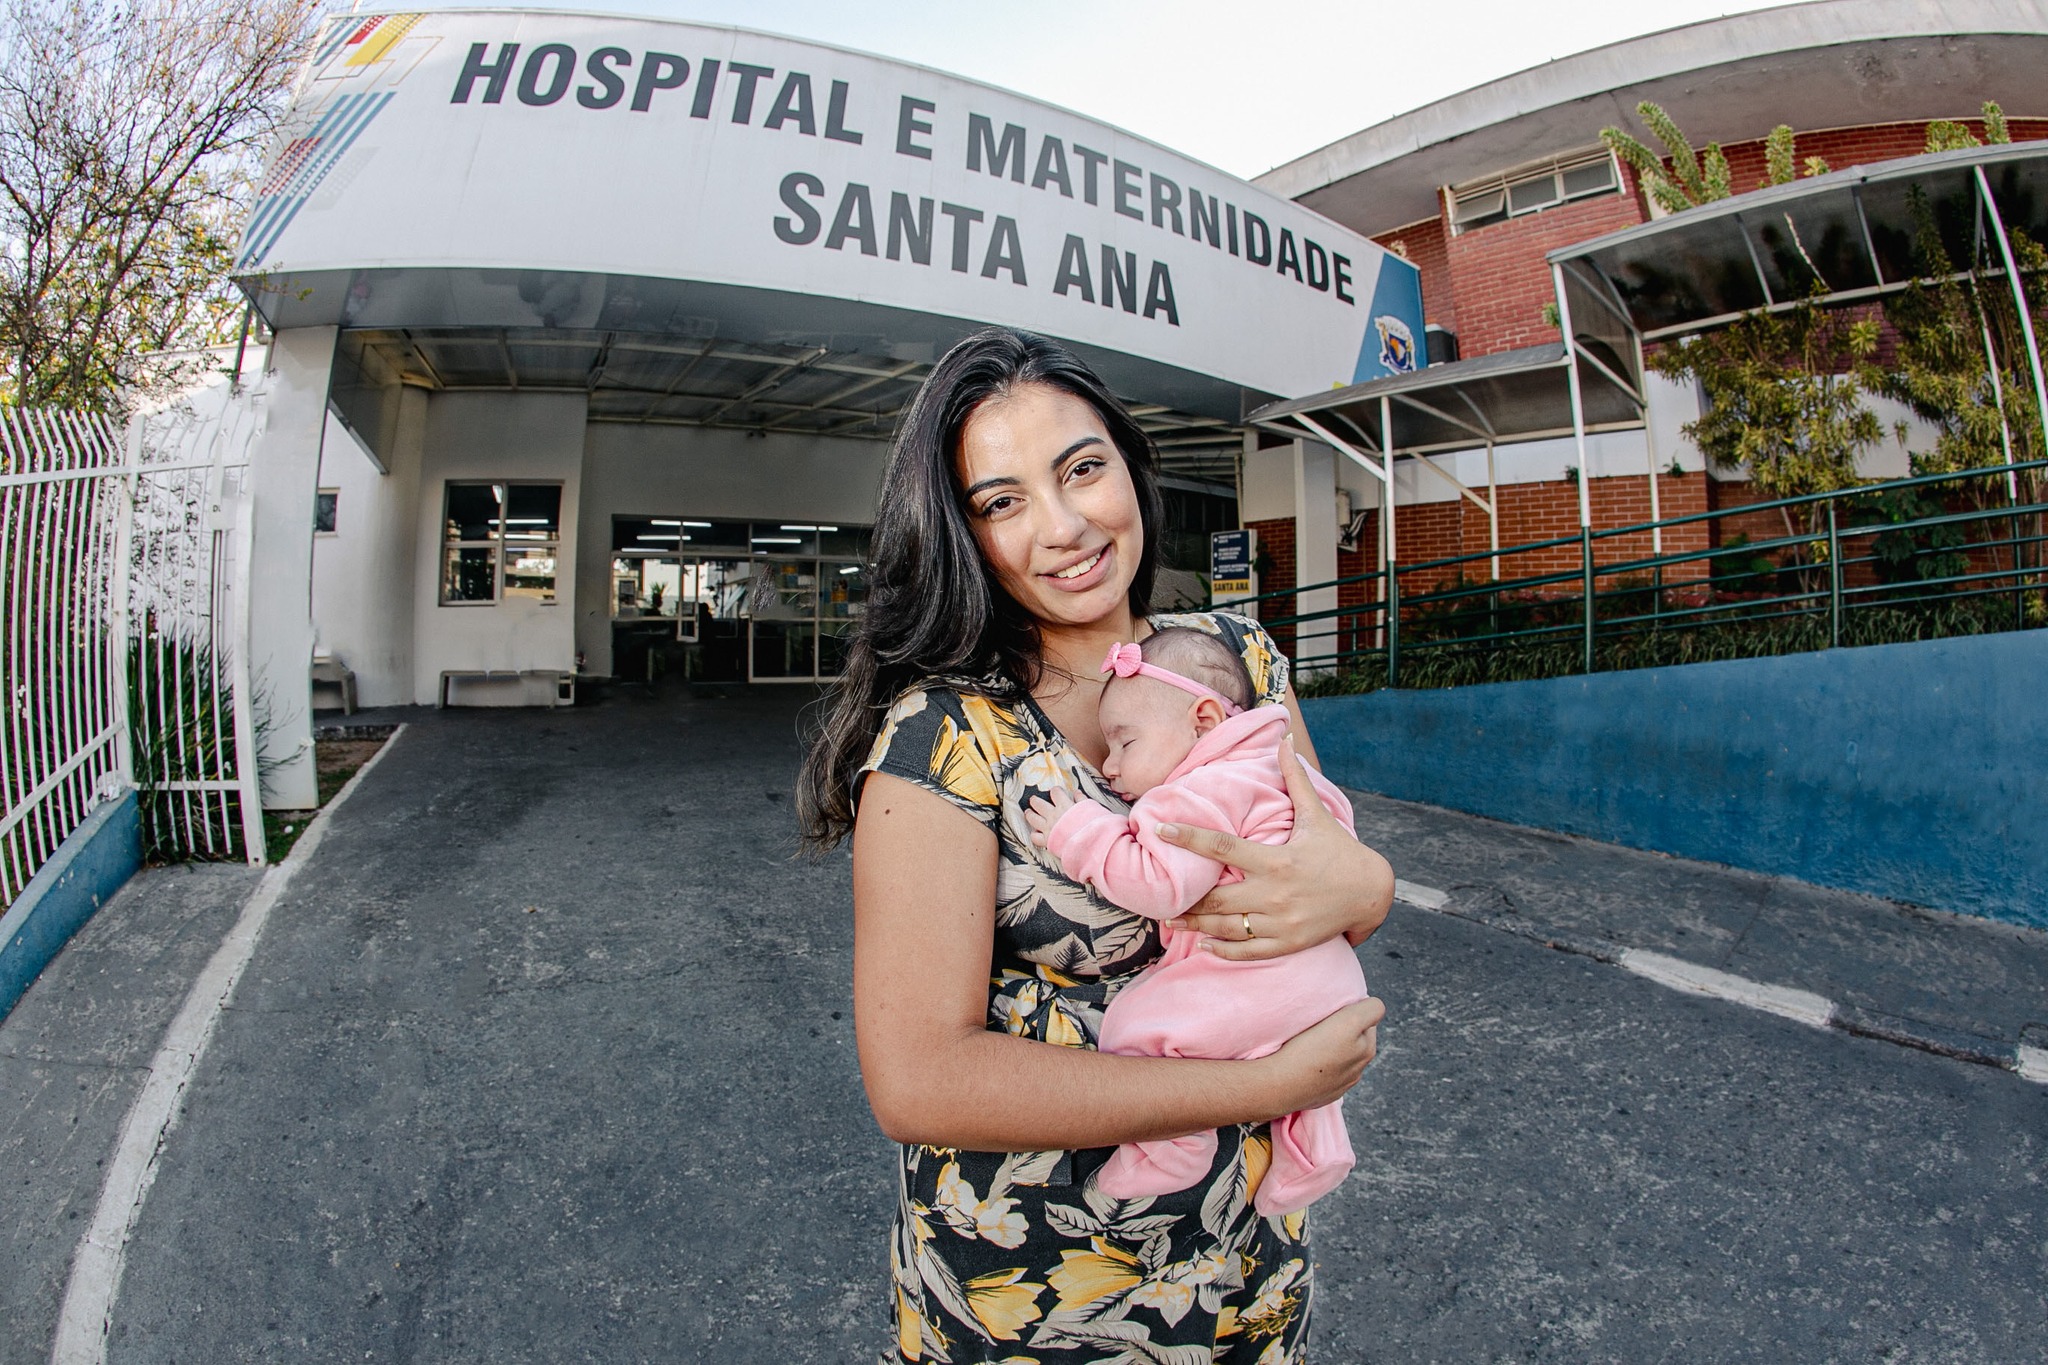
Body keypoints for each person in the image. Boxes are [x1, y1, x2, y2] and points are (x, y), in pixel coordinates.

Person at [796, 327, 1394, 1363]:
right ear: (964, 535)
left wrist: (1372, 883)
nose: (1065, 526)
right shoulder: (944, 738)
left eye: (1082, 469)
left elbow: (1318, 883)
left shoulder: (1234, 659)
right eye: (1002, 500)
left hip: (1244, 1263)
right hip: (1037, 1298)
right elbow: (917, 1082)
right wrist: (1262, 1090)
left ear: (1129, 465)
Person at [1022, 628, 1370, 1217]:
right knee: (1303, 1063)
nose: (1109, 766)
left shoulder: (1193, 791)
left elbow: (1160, 884)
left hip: (1254, 978)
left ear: (1203, 721)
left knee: (1134, 1027)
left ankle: (1175, 1145)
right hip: (1332, 982)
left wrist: (1077, 832)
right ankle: (1319, 1141)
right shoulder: (1281, 767)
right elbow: (1341, 846)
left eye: (1124, 743)